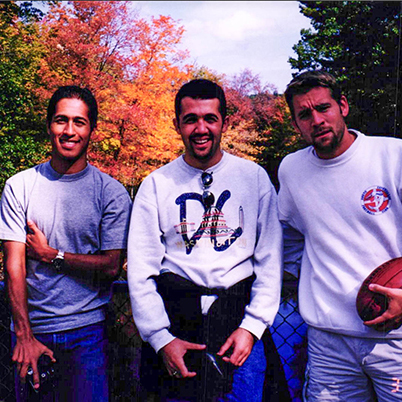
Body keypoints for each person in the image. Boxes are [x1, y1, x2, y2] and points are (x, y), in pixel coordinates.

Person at [127, 79, 287, 401]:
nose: (201, 128)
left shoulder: (253, 178)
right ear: (177, 125)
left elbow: (270, 261)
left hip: (239, 327)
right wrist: (160, 338)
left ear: (224, 122)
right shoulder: (156, 185)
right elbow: (141, 270)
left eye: (210, 118)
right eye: (191, 119)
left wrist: (252, 327)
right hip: (177, 325)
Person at [0, 86, 132, 401]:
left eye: (79, 122)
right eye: (61, 120)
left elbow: (111, 267)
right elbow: (14, 265)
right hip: (33, 331)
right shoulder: (19, 186)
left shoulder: (111, 193)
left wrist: (50, 255)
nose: (69, 131)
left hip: (88, 334)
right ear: (49, 125)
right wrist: (24, 335)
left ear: (92, 130)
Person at [278, 70, 402, 401]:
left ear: (343, 106)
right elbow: (290, 235)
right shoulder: (292, 170)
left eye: (323, 108)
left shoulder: (393, 156)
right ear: (296, 124)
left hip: (396, 338)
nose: (316, 120)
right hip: (328, 343)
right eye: (304, 114)